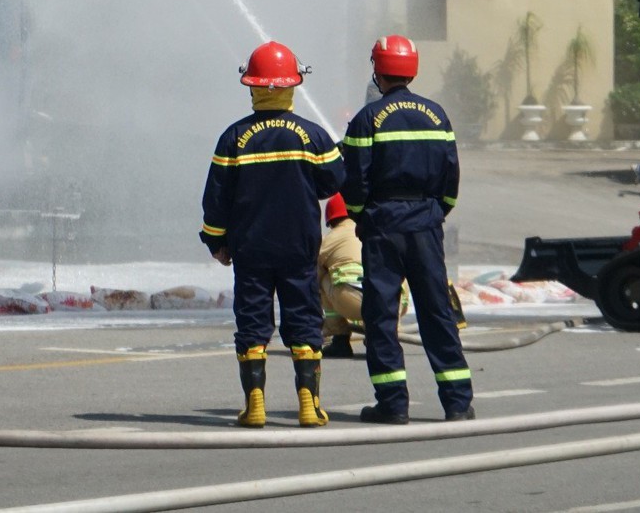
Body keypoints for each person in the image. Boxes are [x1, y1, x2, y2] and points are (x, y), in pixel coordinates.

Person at [200, 41, 345, 428]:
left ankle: (255, 405)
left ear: (253, 86)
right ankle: (309, 405)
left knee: (252, 324)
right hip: (298, 248)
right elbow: (335, 181)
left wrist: (217, 242)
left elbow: (215, 200)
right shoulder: (312, 135)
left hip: (251, 250)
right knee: (304, 321)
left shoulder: (233, 138)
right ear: (292, 86)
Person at [341, 34, 473, 424]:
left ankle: (393, 404)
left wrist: (362, 216)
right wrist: (436, 213)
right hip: (427, 224)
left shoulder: (367, 119)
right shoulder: (437, 115)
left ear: (378, 71)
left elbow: (355, 179)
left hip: (382, 225)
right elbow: (451, 175)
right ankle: (458, 402)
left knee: (381, 316)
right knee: (437, 311)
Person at [318, 192, 364, 358]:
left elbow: (311, 279)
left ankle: (339, 338)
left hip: (354, 302)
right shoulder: (375, 227)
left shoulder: (330, 239)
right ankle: (382, 334)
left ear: (332, 220)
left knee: (324, 278)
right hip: (393, 303)